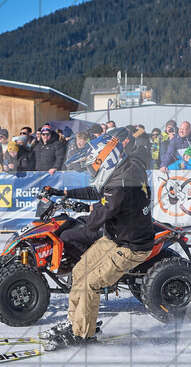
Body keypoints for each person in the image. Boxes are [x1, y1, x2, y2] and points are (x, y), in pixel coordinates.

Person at [36, 129, 155, 351]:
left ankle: (82, 335)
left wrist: (83, 213)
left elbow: (95, 220)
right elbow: (98, 191)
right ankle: (76, 322)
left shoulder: (121, 183)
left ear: (107, 160)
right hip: (116, 237)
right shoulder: (127, 167)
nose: (93, 170)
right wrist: (66, 195)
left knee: (91, 282)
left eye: (94, 166)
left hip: (132, 247)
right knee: (80, 271)